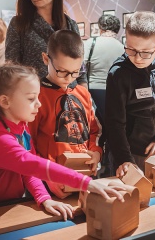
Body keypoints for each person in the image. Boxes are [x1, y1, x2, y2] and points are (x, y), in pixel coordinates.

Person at [0, 64, 123, 219]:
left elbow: (28, 172)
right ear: (5, 102)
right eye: (31, 99)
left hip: (7, 208)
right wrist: (86, 182)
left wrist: (44, 198)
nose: (38, 104)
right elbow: (33, 164)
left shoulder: (21, 127)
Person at [28, 30, 102, 198]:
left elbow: (94, 131)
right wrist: (45, 177)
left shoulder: (84, 94)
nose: (69, 78)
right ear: (46, 59)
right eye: (62, 71)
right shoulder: (36, 96)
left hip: (84, 177)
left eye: (75, 72)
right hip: (51, 182)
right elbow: (27, 145)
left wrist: (96, 151)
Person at [105, 11, 155, 176]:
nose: (137, 58)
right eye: (131, 49)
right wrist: (125, 159)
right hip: (129, 154)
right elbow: (115, 124)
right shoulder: (118, 74)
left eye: (145, 52)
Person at [5, 0, 86, 85]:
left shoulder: (70, 24)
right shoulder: (19, 24)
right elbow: (11, 69)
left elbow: (80, 68)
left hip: (68, 95)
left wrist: (83, 94)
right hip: (35, 97)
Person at [83, 14, 124, 118]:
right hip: (115, 91)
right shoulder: (123, 48)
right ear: (117, 29)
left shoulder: (91, 43)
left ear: (100, 27)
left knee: (94, 123)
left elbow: (80, 65)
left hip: (92, 89)